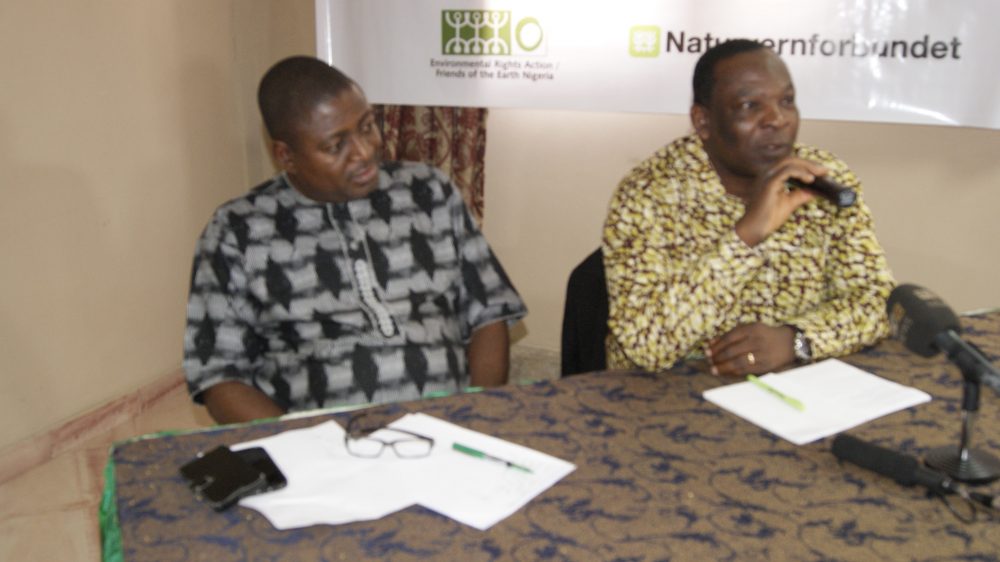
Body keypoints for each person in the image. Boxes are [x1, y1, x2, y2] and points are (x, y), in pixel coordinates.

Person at [183, 56, 526, 424]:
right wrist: (309, 451)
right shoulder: (238, 232)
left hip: (451, 432)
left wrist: (474, 417)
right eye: (336, 146)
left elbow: (490, 314)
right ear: (286, 156)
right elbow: (219, 377)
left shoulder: (429, 192)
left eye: (367, 126)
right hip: (323, 457)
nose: (364, 151)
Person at [602, 39, 894, 377]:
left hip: (796, 388)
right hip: (672, 393)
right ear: (703, 121)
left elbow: (877, 303)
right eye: (750, 106)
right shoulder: (646, 197)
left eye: (786, 101)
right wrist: (744, 239)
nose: (777, 119)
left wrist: (796, 340)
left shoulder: (825, 182)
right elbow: (645, 346)